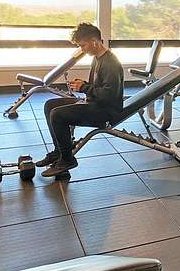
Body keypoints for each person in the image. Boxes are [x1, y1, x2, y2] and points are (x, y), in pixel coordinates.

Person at [36, 23, 124, 177]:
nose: (82, 49)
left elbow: (109, 95)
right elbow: (99, 87)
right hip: (95, 103)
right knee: (50, 105)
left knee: (57, 115)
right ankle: (60, 152)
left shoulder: (110, 63)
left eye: (83, 45)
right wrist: (84, 85)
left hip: (107, 111)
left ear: (94, 42)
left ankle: (67, 159)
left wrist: (84, 87)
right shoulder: (97, 58)